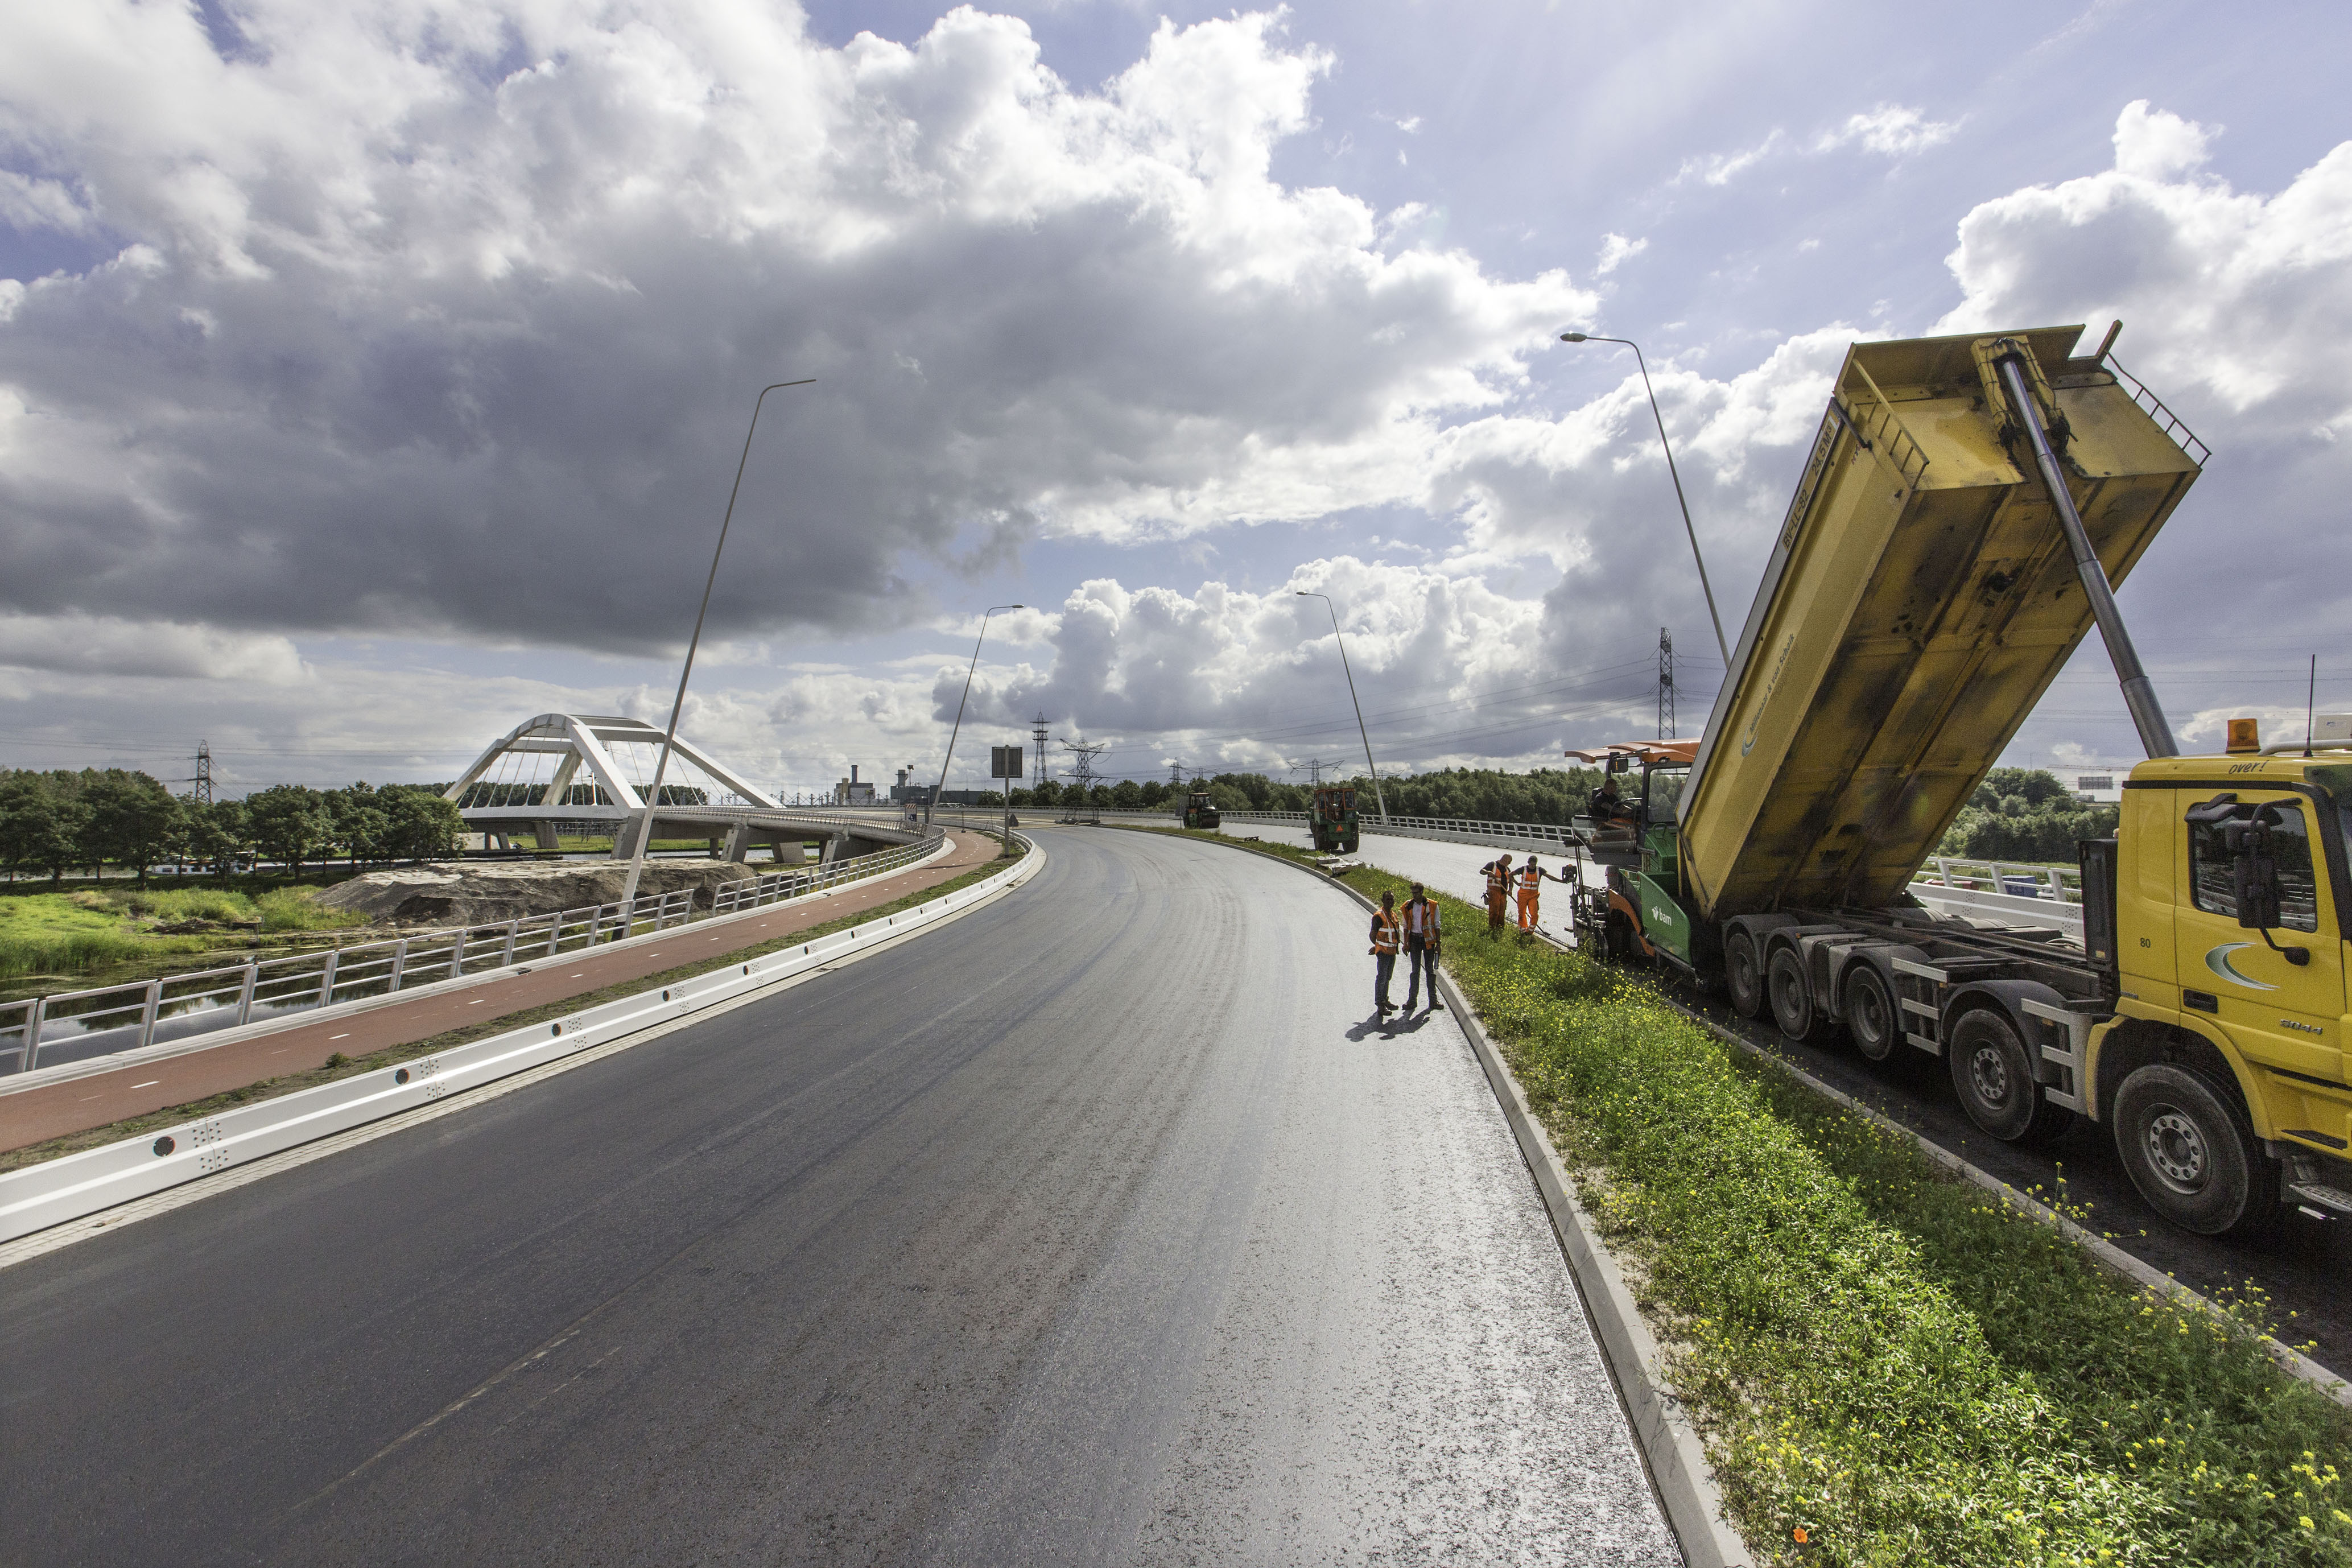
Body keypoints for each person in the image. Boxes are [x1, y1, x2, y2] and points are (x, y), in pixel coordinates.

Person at [1400, 881, 1443, 1012]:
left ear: (1422, 892)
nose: (1414, 895)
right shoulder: (1408, 906)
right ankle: (1412, 1000)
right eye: (1412, 893)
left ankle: (1433, 1000)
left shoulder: (1432, 905)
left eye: (1416, 893)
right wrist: (1406, 943)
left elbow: (1437, 925)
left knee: (1430, 971)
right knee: (1415, 971)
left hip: (1428, 942)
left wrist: (1439, 944)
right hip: (1414, 940)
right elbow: (1406, 926)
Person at [1516, 853, 1572, 931]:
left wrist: (1561, 881)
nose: (1533, 866)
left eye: (1534, 864)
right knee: (1522, 914)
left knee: (1534, 914)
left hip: (1533, 896)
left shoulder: (1540, 870)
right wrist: (1516, 883)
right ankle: (1523, 930)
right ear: (1529, 862)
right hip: (1522, 895)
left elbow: (1549, 877)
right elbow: (1510, 875)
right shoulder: (1523, 869)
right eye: (1531, 864)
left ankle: (1530, 931)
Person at [1369, 889, 1401, 1017]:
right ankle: (1380, 1005)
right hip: (1383, 953)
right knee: (1381, 978)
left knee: (1388, 978)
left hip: (1392, 952)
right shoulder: (1379, 916)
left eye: (1392, 899)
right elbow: (1372, 934)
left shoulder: (1393, 915)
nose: (1390, 902)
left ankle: (1385, 1000)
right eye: (1388, 899)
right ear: (1383, 901)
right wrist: (1377, 946)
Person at [1483, 856, 1512, 935]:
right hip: (1494, 891)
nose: (1509, 864)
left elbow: (1511, 880)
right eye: (1508, 862)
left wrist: (1510, 890)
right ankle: (1492, 927)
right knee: (1495, 910)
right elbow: (1482, 871)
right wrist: (1488, 872)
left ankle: (1500, 927)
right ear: (1505, 859)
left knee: (1502, 911)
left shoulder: (1507, 869)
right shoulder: (1492, 865)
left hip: (1503, 893)